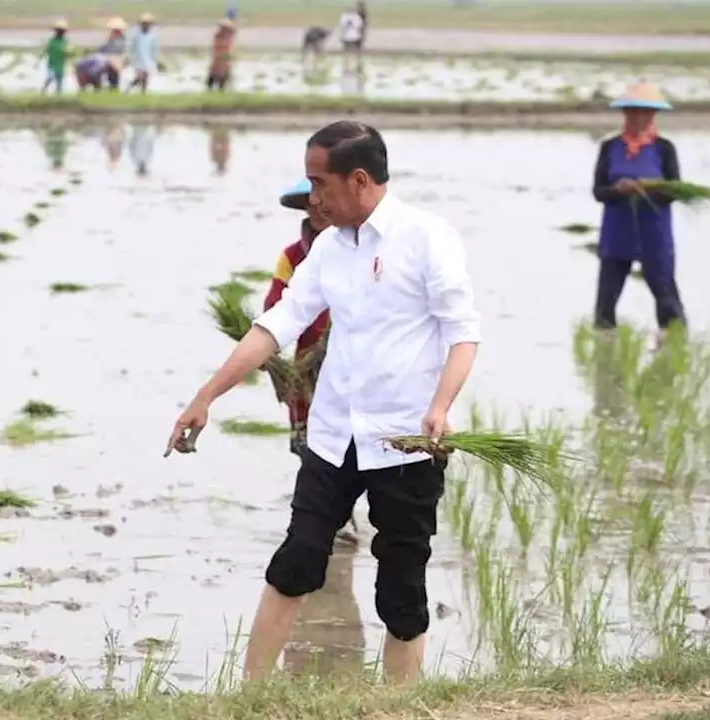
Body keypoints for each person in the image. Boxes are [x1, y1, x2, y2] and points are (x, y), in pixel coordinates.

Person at [166, 121, 481, 685]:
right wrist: (205, 396)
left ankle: (394, 705)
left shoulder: (428, 237)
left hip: (406, 440)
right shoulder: (329, 249)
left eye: (320, 184)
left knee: (402, 585)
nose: (313, 198)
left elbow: (463, 333)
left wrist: (440, 405)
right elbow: (276, 324)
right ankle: (250, 696)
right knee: (297, 560)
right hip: (334, 436)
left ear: (359, 180)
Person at [592, 82, 685, 332]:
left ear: (653, 115)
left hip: (654, 233)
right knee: (605, 303)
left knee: (666, 296)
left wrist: (650, 189)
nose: (638, 117)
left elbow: (674, 192)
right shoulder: (610, 147)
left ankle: (673, 346)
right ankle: (606, 352)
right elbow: (598, 192)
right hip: (617, 232)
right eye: (632, 111)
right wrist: (618, 190)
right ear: (624, 113)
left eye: (645, 112)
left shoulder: (665, 149)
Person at [264, 179, 332, 457]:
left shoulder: (361, 249)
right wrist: (266, 350)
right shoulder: (292, 255)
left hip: (349, 358)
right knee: (313, 460)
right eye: (308, 205)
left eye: (321, 203)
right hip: (309, 360)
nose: (315, 210)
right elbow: (275, 304)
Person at [127, 13, 161, 93]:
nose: (145, 25)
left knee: (145, 77)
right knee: (139, 77)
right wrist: (131, 58)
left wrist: (155, 59)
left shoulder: (153, 36)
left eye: (147, 24)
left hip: (149, 60)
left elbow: (154, 49)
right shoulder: (137, 36)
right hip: (139, 60)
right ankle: (128, 89)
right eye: (144, 24)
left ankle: (143, 92)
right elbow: (133, 48)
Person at [38, 19, 69, 94]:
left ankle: (58, 95)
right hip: (52, 64)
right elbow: (46, 50)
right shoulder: (52, 40)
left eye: (61, 30)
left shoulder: (65, 41)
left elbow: (68, 52)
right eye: (59, 30)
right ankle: (43, 90)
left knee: (59, 81)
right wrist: (39, 60)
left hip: (61, 64)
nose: (60, 32)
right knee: (50, 77)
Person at [208, 17, 235, 91]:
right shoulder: (218, 37)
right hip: (217, 63)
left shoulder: (227, 38)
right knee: (212, 80)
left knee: (223, 82)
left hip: (224, 64)